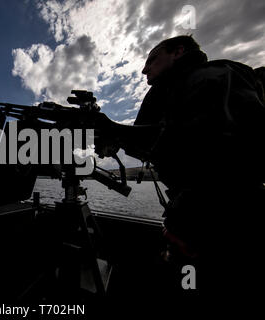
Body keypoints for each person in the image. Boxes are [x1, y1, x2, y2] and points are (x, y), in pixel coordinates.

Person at [101, 35, 265, 297]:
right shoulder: (170, 91)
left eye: (152, 60)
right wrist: (113, 134)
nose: (145, 69)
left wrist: (114, 130)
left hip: (224, 224)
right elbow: (154, 143)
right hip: (194, 222)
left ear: (178, 52)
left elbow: (207, 143)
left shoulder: (213, 77)